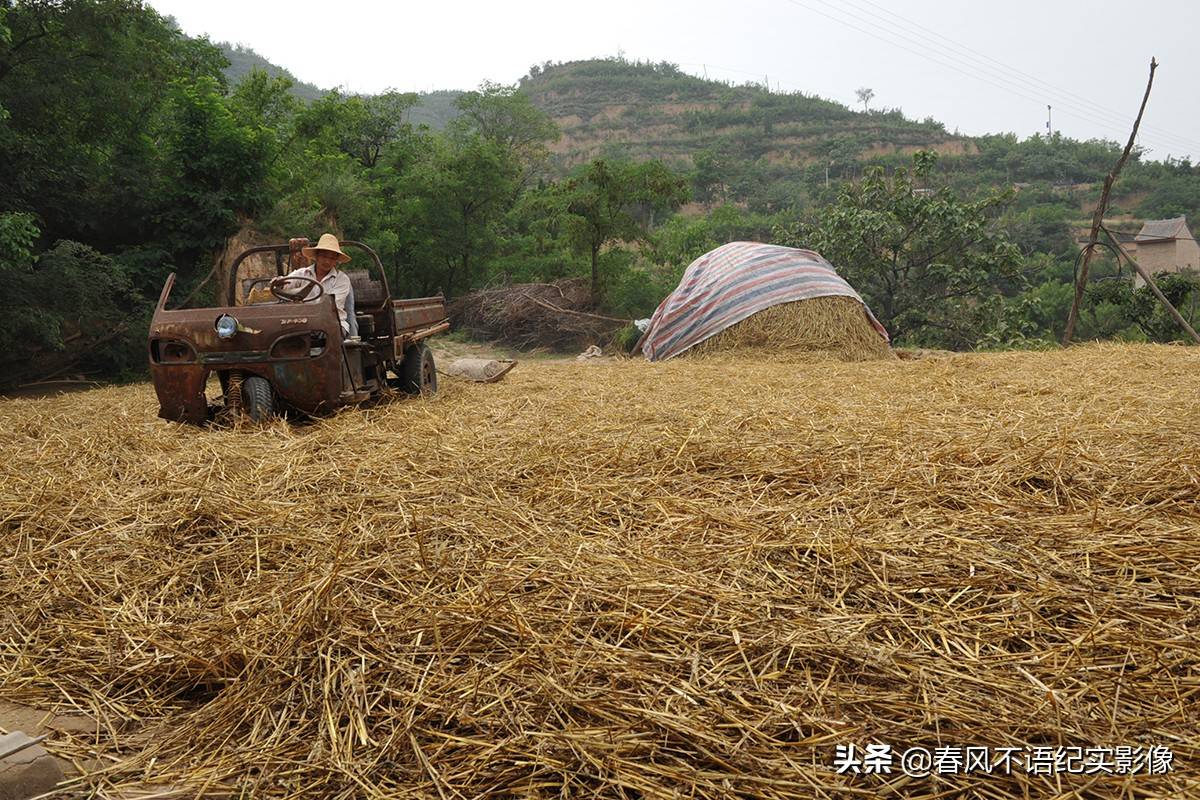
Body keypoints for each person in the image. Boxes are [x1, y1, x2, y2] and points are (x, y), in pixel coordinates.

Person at [277, 233, 355, 337]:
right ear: (316, 256)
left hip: (333, 322)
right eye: (324, 256)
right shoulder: (302, 274)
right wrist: (279, 283)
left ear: (336, 261)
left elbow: (331, 306)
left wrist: (303, 308)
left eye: (332, 258)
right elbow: (286, 284)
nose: (327, 261)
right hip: (304, 323)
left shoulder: (341, 280)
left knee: (330, 331)